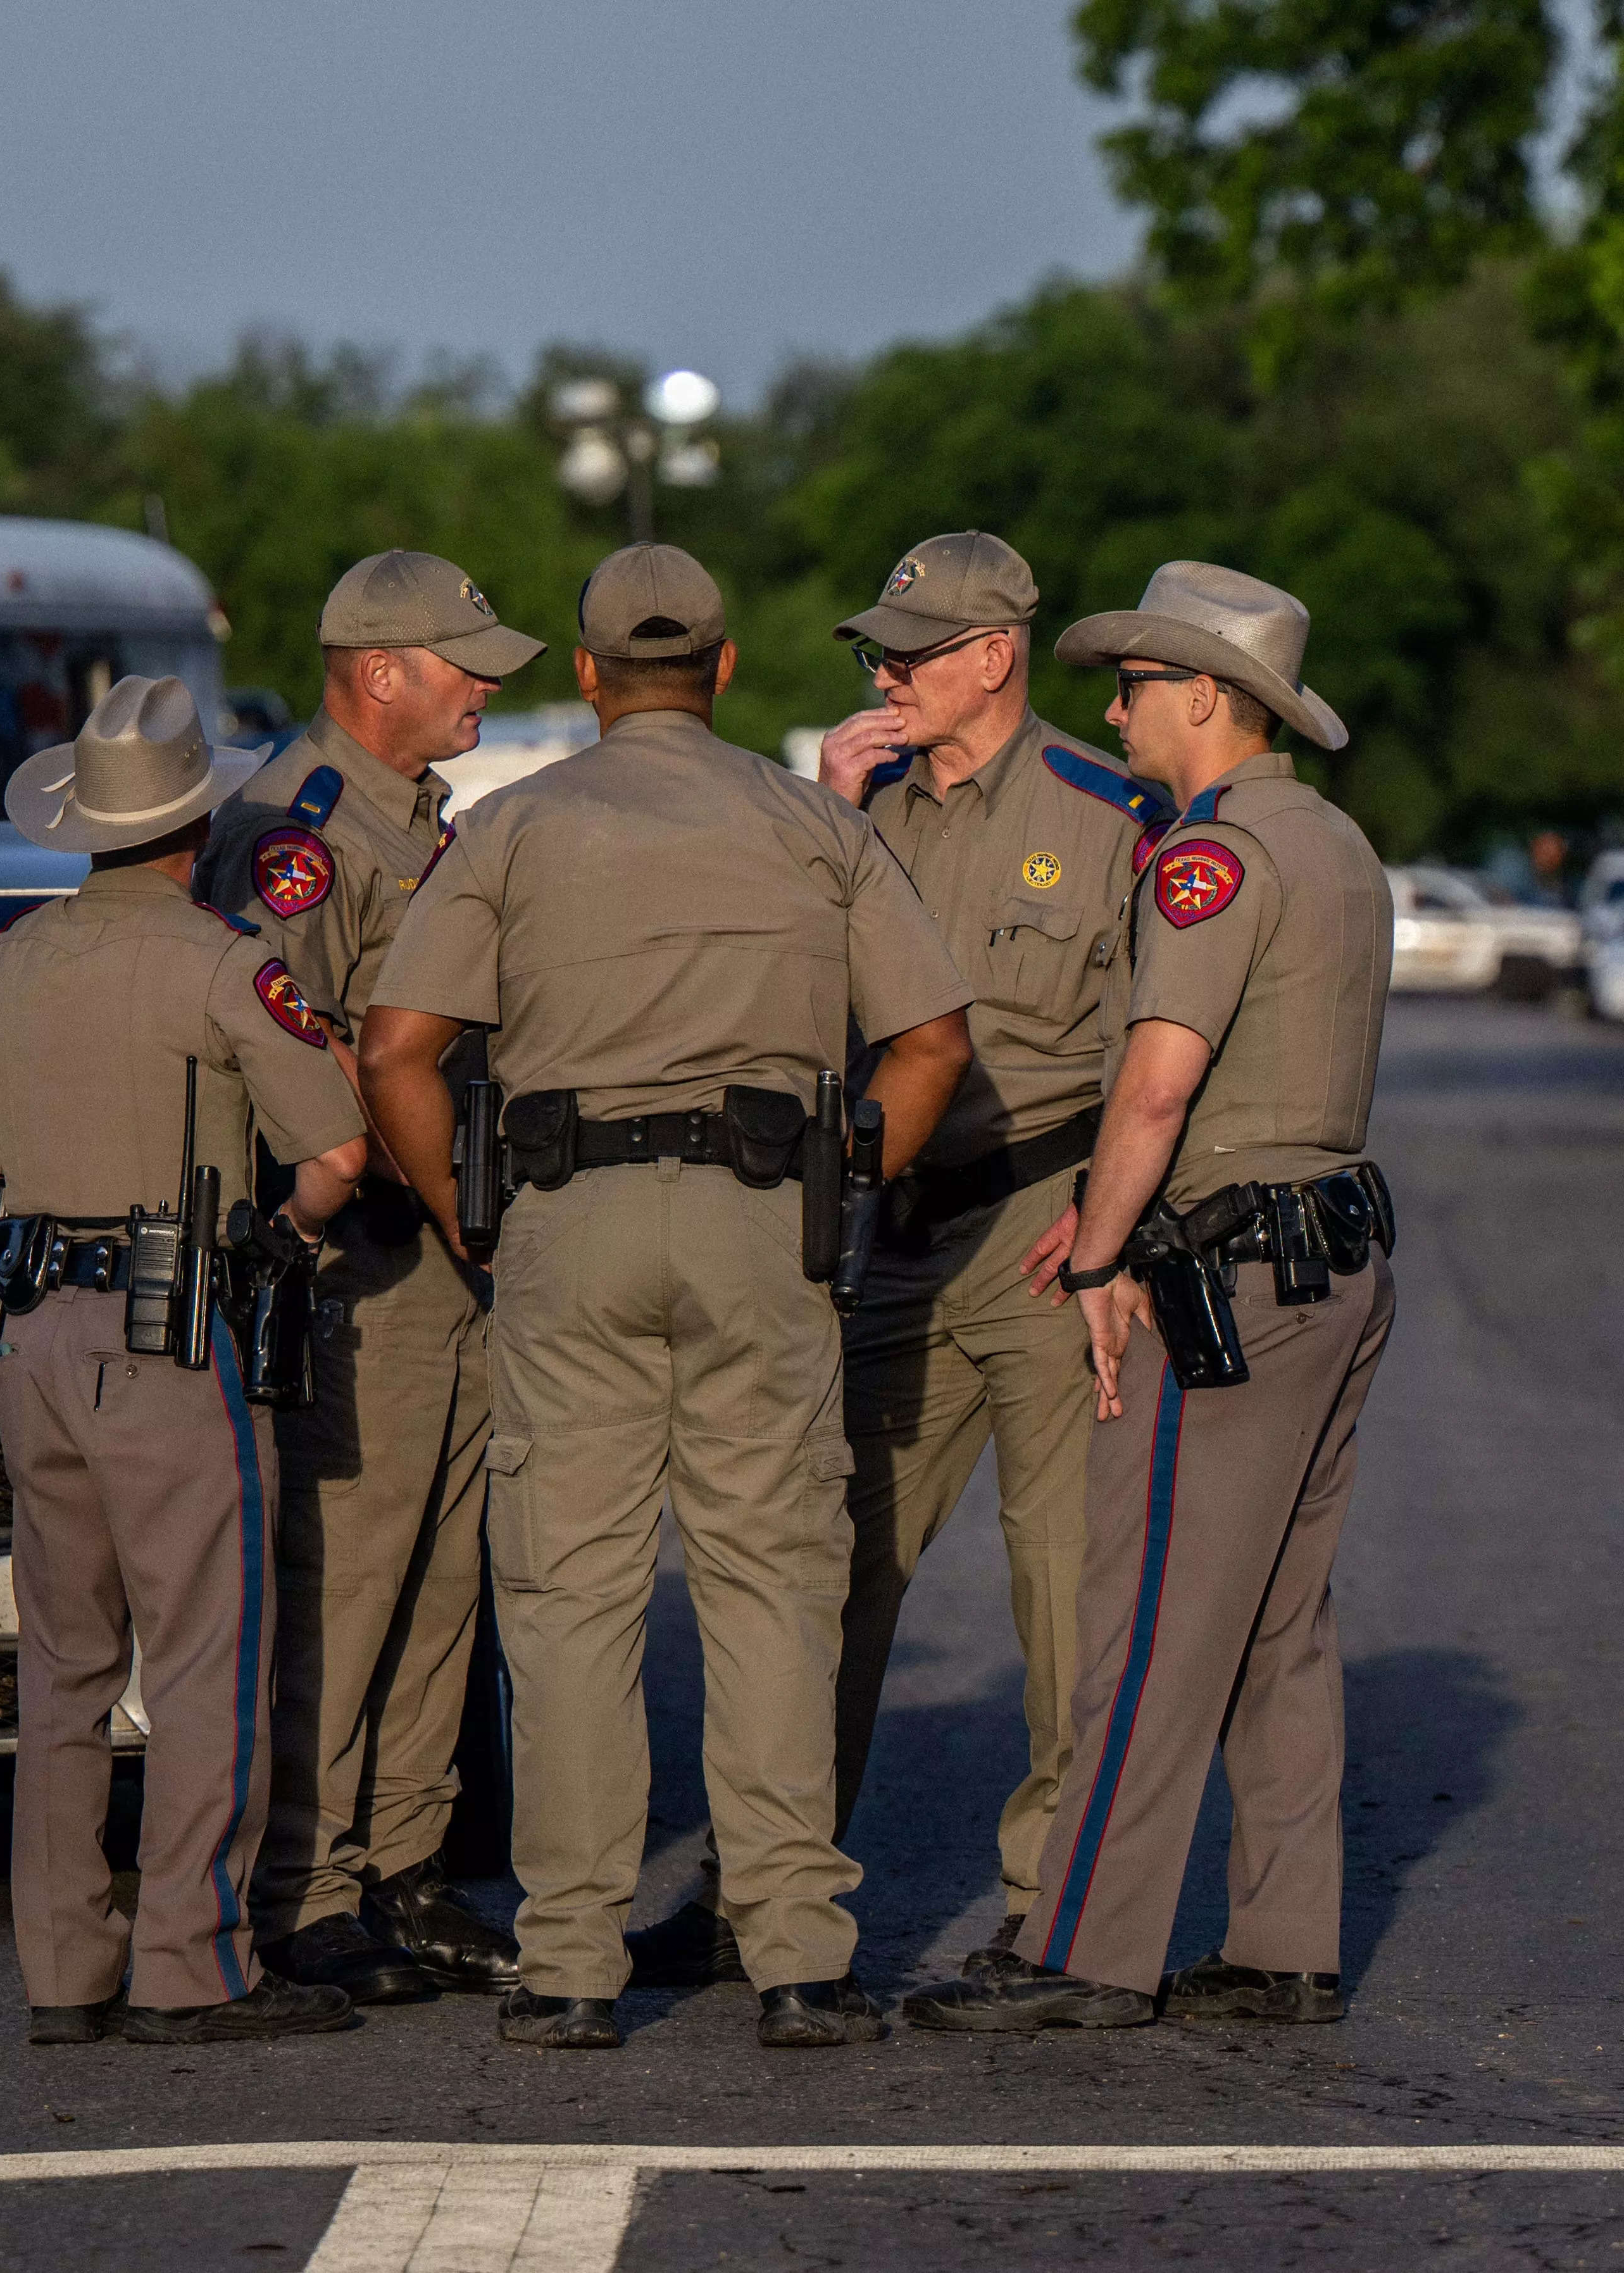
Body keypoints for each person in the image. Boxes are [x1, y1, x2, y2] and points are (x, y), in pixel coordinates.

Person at [359, 544, 975, 2051]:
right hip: (761, 1216)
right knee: (772, 1580)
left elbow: (393, 1048)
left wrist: (471, 1217)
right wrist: (848, 1182)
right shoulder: (806, 824)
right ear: (722, 666)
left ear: (583, 676)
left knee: (569, 1596)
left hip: (563, 1224)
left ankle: (571, 1961)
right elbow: (936, 1040)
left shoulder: (512, 827)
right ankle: (799, 1956)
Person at [625, 532, 1172, 1990]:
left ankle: (1052, 1905)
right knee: (817, 1567)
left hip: (1048, 1226)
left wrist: (1125, 1233)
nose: (884, 675)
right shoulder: (839, 813)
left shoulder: (1109, 809)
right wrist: (821, 814)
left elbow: (1163, 1044)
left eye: (911, 654)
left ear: (993, 655)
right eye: (875, 654)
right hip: (889, 1233)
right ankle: (761, 1892)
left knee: (1062, 1588)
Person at [901, 561, 1396, 2033]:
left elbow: (1157, 1080)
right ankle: (1282, 1941)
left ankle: (1080, 1949)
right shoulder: (1340, 842)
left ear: (1207, 699)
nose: (1110, 706)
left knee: (1152, 1619)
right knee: (1276, 1622)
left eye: (1133, 684)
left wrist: (1102, 1252)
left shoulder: (1214, 854)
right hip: (1336, 1251)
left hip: (1231, 1265)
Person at [0, 675, 371, 2044]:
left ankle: (64, 1969)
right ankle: (192, 1961)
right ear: (198, 825)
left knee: (62, 1664)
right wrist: (264, 1242)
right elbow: (337, 1156)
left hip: (32, 1332)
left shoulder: (1, 963)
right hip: (171, 1330)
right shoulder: (227, 962)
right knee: (201, 1656)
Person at [200, 550, 542, 2005]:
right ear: (378, 670)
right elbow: (300, 1050)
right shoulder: (303, 828)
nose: (484, 685)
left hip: (453, 1244)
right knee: (342, 1576)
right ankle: (308, 1880)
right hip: (368, 1254)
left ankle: (407, 1862)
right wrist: (432, 1183)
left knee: (441, 1569)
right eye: (462, 661)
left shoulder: (414, 821)